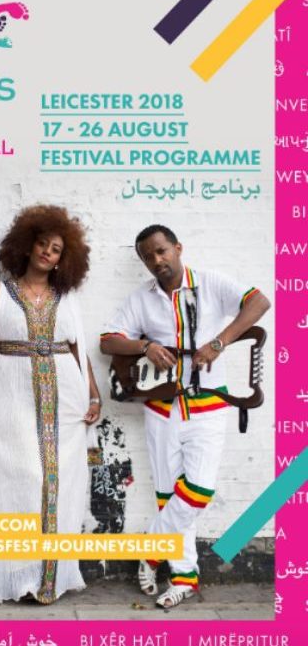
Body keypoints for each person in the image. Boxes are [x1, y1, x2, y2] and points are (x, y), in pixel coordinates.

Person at [100, 224, 270, 608]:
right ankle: (184, 577)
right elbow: (107, 340)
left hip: (209, 406)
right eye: (148, 257)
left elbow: (259, 302)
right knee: (169, 496)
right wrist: (146, 345)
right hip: (162, 410)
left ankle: (148, 550)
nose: (156, 261)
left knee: (198, 491)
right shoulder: (140, 300)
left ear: (177, 248)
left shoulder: (211, 282)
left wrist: (218, 342)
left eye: (161, 251)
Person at [0, 204, 101, 604]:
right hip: (11, 396)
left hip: (67, 398)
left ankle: (54, 578)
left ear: (65, 257)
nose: (47, 252)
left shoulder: (67, 298)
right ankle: (19, 577)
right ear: (27, 246)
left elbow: (79, 351)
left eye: (56, 248)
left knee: (61, 487)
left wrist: (94, 395)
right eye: (42, 244)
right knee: (24, 480)